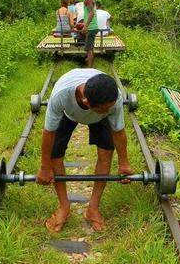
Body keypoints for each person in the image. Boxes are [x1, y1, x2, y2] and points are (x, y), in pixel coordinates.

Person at [37, 68, 133, 233]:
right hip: (68, 114)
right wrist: (45, 167)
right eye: (104, 109)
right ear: (86, 102)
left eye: (110, 108)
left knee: (106, 152)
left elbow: (118, 132)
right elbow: (48, 133)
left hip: (98, 116)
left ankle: (93, 209)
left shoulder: (112, 99)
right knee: (55, 154)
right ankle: (64, 207)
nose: (109, 111)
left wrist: (124, 164)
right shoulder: (61, 96)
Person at [78, 0, 98, 67]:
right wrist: (84, 24)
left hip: (91, 27)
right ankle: (90, 65)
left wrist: (86, 26)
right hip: (91, 26)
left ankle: (89, 68)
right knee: (90, 48)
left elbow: (91, 12)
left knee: (89, 49)